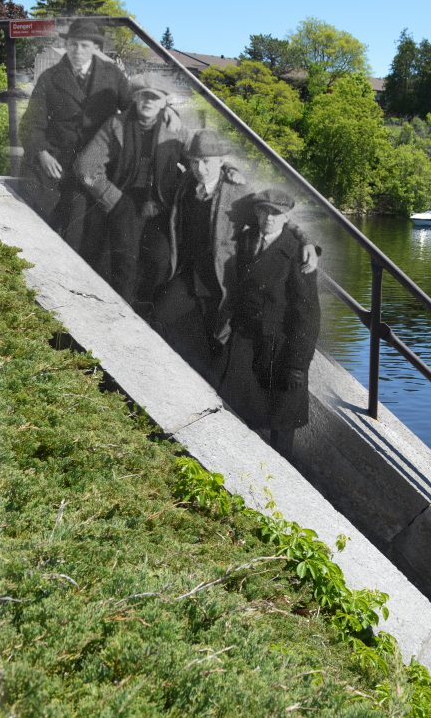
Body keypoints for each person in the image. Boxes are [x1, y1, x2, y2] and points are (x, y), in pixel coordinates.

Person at [154, 129, 318, 380]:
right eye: (195, 162)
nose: (201, 169)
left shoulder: (237, 192)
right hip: (187, 273)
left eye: (207, 162)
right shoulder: (186, 183)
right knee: (160, 317)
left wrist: (306, 240)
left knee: (211, 345)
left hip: (218, 280)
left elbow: (275, 215)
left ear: (220, 161)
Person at [218, 187, 320, 458]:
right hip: (246, 340)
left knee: (280, 423)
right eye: (264, 211)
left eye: (277, 213)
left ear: (287, 217)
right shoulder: (248, 239)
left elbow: (307, 316)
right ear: (257, 213)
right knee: (241, 411)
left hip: (280, 350)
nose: (269, 219)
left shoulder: (298, 256)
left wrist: (298, 364)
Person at [74, 73, 188, 313]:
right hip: (123, 200)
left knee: (160, 258)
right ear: (136, 98)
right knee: (125, 261)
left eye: (154, 98)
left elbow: (199, 155)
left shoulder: (175, 129)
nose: (148, 102)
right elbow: (86, 165)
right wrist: (112, 198)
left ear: (164, 103)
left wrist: (228, 169)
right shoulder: (116, 124)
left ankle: (144, 311)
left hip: (159, 204)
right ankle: (121, 314)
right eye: (144, 96)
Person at [19, 19, 130, 261]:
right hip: (57, 160)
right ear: (66, 45)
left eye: (84, 46)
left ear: (95, 48)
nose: (77, 51)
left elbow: (132, 110)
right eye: (72, 45)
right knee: (40, 218)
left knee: (81, 231)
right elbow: (31, 122)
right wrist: (42, 153)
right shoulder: (50, 77)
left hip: (93, 164)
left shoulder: (112, 76)